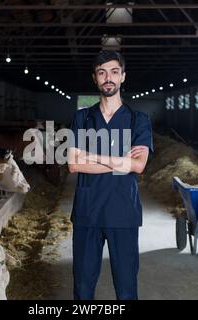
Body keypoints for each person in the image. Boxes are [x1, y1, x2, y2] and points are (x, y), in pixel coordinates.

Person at [68, 50, 154, 300]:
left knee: (126, 288)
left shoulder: (138, 120)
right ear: (95, 78)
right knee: (83, 288)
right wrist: (122, 161)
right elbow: (73, 165)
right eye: (102, 72)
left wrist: (91, 156)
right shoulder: (82, 118)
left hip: (123, 213)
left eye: (114, 72)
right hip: (87, 213)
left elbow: (138, 166)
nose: (109, 78)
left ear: (123, 77)